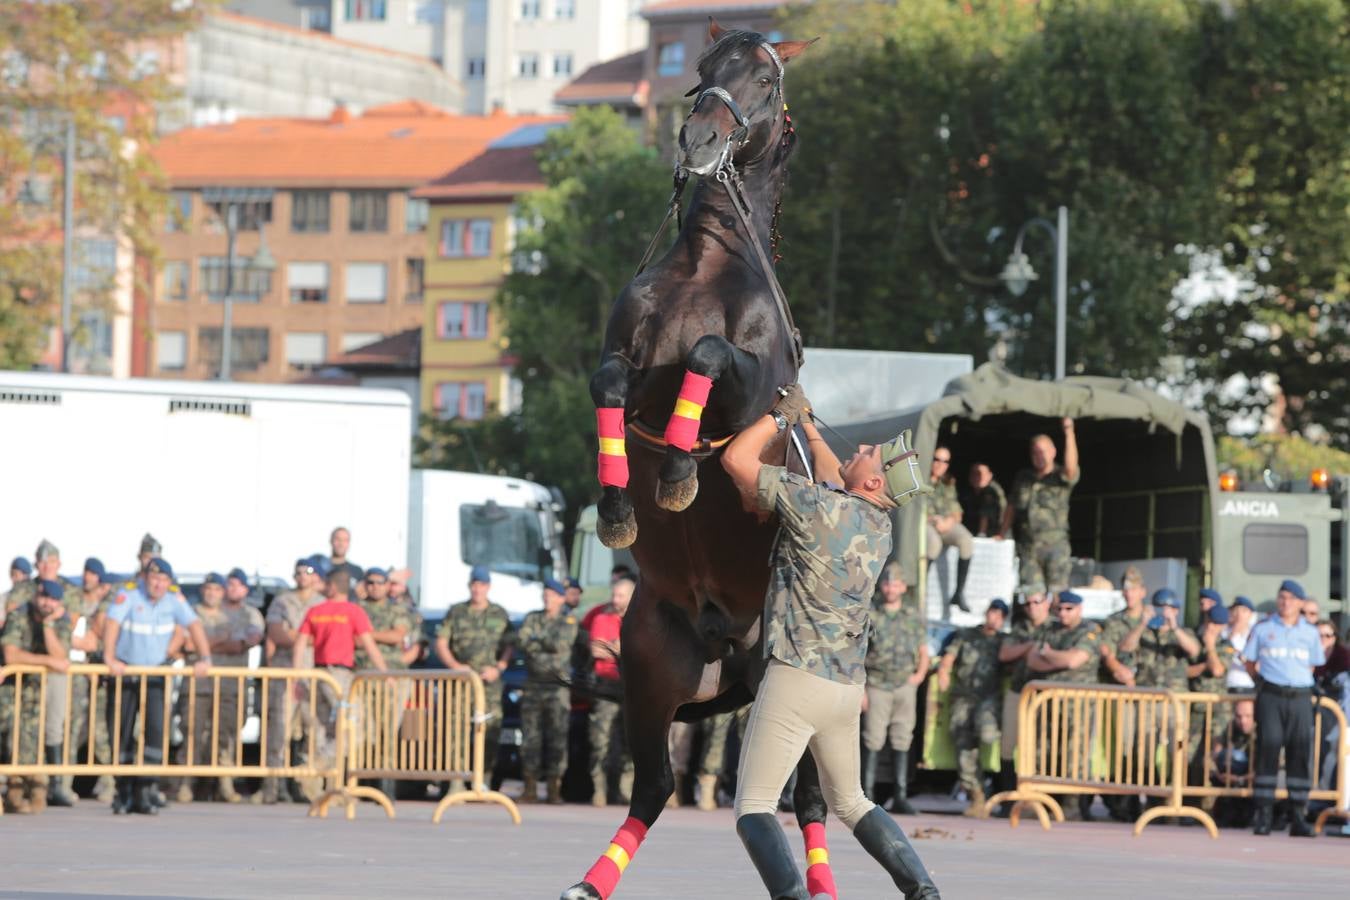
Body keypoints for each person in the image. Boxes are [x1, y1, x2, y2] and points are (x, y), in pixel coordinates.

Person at [720, 385, 939, 900]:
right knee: (854, 802)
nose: (856, 450)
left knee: (753, 806)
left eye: (866, 453)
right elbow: (832, 474)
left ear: (874, 478)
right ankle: (922, 891)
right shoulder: (878, 525)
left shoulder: (816, 507)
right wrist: (810, 426)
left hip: (797, 678)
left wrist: (779, 417)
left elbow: (736, 459)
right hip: (845, 688)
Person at [103, 558, 212, 815]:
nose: (158, 584)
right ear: (145, 579)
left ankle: (146, 789)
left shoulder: (174, 600)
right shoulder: (129, 595)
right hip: (126, 672)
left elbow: (194, 625)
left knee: (155, 733)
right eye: (154, 579)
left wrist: (205, 658)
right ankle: (124, 791)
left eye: (163, 580)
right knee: (121, 733)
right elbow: (112, 624)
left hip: (156, 675)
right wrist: (109, 657)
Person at [1241, 578, 1325, 836]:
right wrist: (1264, 682)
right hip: (1272, 695)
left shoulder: (1310, 633)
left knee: (1299, 753)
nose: (1285, 602)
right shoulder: (1264, 628)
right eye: (1282, 597)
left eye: (1291, 598)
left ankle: (1298, 815)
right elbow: (1250, 661)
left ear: (1300, 603)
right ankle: (1264, 814)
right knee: (1268, 749)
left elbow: (1313, 665)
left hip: (1299, 696)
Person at [4, 540, 79, 807]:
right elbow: (12, 654)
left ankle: (46, 785)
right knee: (13, 732)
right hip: (15, 682)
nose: (47, 603)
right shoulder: (21, 600)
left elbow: (63, 655)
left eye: (52, 600)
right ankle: (14, 789)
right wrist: (47, 661)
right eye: (42, 562)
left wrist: (48, 627)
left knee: (48, 729)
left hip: (43, 682)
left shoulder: (66, 596)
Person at [292, 569, 387, 767]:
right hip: (339, 676)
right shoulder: (353, 611)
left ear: (332, 587)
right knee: (355, 727)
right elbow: (369, 645)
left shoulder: (315, 611)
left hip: (317, 674)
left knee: (324, 728)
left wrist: (297, 676)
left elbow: (300, 644)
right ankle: (318, 763)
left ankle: (320, 777)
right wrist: (386, 673)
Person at [434, 566, 514, 788]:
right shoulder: (457, 612)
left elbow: (509, 646)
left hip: (489, 683)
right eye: (474, 584)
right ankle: (456, 781)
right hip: (462, 683)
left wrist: (499, 668)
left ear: (488, 587)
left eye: (482, 585)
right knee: (455, 731)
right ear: (470, 586)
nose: (477, 589)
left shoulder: (499, 613)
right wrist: (455, 666)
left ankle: (483, 779)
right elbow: (441, 642)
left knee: (490, 731)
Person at [257, 556, 327, 805]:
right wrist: (306, 637)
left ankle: (309, 786)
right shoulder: (282, 601)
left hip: (314, 675)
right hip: (286, 673)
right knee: (279, 731)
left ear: (316, 576)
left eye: (308, 572)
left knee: (315, 732)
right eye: (298, 572)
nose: (302, 576)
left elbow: (325, 637)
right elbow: (277, 633)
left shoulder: (322, 603)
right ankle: (272, 786)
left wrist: (298, 636)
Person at [1025, 590, 1100, 818]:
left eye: (1069, 609)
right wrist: (1059, 660)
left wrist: (1051, 655)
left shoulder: (1089, 631)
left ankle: (1072, 805)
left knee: (1074, 754)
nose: (1063, 613)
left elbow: (1075, 660)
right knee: (1042, 753)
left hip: (1077, 705)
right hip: (1048, 704)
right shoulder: (1050, 630)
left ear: (1079, 609)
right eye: (1060, 609)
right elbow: (1033, 660)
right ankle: (1042, 802)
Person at [861, 563, 929, 815]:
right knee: (873, 739)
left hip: (904, 685)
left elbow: (923, 649)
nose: (891, 588)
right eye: (888, 583)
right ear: (882, 585)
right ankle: (866, 796)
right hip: (877, 684)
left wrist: (919, 676)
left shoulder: (912, 615)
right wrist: (862, 690)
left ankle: (900, 795)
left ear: (903, 587)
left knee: (903, 737)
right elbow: (859, 654)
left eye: (896, 583)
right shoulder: (872, 614)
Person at [936, 598, 1008, 817]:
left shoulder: (1004, 641)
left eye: (1000, 615)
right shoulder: (966, 635)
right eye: (992, 612)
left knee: (987, 735)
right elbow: (949, 657)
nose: (994, 618)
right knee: (964, 744)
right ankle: (977, 796)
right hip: (964, 698)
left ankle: (993, 787)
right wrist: (943, 672)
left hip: (988, 699)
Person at [517, 578, 578, 804]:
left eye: (552, 594)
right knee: (530, 737)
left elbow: (562, 644)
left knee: (557, 738)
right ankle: (530, 787)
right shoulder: (532, 618)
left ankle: (554, 788)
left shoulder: (569, 620)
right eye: (545, 594)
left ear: (562, 598)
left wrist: (537, 640)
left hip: (557, 688)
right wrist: (544, 645)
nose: (547, 598)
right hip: (533, 686)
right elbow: (523, 643)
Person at [993, 584, 1052, 815]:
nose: (1032, 608)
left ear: (1046, 603)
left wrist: (1030, 654)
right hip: (1019, 691)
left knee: (1040, 748)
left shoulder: (1055, 628)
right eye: (1027, 603)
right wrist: (1029, 647)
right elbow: (1005, 654)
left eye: (1037, 602)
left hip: (1044, 694)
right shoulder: (1020, 628)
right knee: (1008, 745)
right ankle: (1009, 801)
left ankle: (1037, 802)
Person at [1003, 420, 1079, 594]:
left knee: (1058, 596)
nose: (1040, 456)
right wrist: (1002, 532)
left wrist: (1069, 433)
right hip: (1028, 548)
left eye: (1043, 451)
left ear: (1053, 452)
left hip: (1055, 547)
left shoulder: (1060, 476)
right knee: (1031, 597)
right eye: (1035, 453)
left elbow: (1071, 468)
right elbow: (1012, 506)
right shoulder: (1023, 478)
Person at [582, 576, 634, 807]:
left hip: (632, 687)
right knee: (600, 737)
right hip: (606, 685)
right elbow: (596, 650)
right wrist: (620, 647)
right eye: (614, 594)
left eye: (620, 595)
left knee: (631, 739)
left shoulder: (638, 620)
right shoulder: (602, 618)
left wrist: (612, 647)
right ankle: (599, 788)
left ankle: (626, 788)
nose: (614, 599)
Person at [925, 445, 974, 612]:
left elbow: (958, 512)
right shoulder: (919, 479)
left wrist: (948, 522)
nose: (940, 464)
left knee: (966, 540)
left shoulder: (948, 483)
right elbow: (911, 509)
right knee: (934, 544)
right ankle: (920, 590)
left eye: (945, 461)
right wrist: (933, 520)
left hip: (945, 524)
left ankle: (959, 593)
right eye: (937, 459)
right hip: (925, 524)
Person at [1210, 698, 1257, 828]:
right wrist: (1219, 773)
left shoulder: (1263, 730)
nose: (1243, 721)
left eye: (1248, 716)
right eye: (1239, 716)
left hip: (1252, 780)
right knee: (1225, 759)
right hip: (1231, 778)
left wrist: (1239, 779)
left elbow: (1268, 770)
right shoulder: (1230, 728)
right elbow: (1215, 753)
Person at [354, 567, 410, 670]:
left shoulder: (397, 608)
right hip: (361, 672)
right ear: (365, 585)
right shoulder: (355, 608)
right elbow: (354, 640)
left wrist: (367, 635)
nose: (375, 586)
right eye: (371, 582)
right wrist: (384, 636)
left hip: (392, 669)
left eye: (380, 582)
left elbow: (397, 636)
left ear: (387, 585)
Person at [1224, 596, 1257, 693]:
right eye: (1236, 610)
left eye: (1243, 611)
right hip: (1228, 683)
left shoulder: (1256, 634)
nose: (1239, 615)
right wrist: (1233, 634)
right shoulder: (1224, 632)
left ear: (1250, 614)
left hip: (1248, 683)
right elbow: (1224, 650)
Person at [966, 462, 1007, 538]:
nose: (976, 477)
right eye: (973, 473)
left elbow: (985, 515)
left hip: (994, 534)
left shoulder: (991, 490)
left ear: (990, 476)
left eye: (980, 474)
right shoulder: (970, 492)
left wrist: (981, 534)